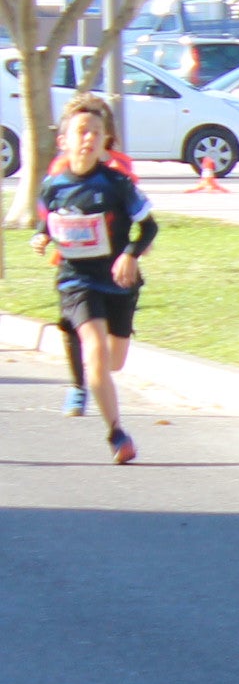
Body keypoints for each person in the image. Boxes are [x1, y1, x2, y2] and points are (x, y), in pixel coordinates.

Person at [31, 98, 153, 459]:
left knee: (114, 361)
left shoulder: (117, 183)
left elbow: (149, 226)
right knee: (96, 354)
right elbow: (48, 218)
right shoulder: (53, 184)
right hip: (76, 280)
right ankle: (117, 435)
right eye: (81, 132)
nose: (88, 139)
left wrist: (130, 254)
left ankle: (98, 387)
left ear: (105, 141)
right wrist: (41, 235)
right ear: (64, 140)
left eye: (96, 133)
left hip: (117, 280)